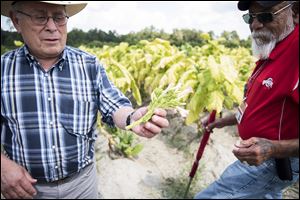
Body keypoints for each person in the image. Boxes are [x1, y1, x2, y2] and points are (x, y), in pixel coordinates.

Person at [1, 1, 169, 199]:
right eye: (40, 17)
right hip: (25, 190)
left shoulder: (88, 64)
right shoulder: (3, 70)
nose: (52, 27)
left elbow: (115, 106)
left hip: (82, 185)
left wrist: (134, 118)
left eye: (59, 17)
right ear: (16, 21)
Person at [194, 1, 299, 199]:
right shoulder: (273, 48)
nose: (256, 24)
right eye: (251, 17)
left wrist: (273, 148)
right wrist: (222, 121)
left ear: (295, 12)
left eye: (266, 16)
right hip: (264, 158)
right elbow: (262, 106)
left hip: (274, 161)